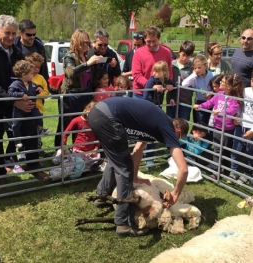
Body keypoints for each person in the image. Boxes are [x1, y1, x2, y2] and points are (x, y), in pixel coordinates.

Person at [87, 97, 189, 237]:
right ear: (177, 131)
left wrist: (135, 177)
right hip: (108, 117)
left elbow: (138, 150)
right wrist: (176, 194)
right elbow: (183, 169)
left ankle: (102, 196)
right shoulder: (166, 126)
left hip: (97, 113)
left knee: (116, 158)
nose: (175, 140)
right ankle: (122, 224)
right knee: (124, 169)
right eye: (179, 138)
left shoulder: (154, 123)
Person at [0, 15, 49, 185]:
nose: (10, 37)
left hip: (18, 99)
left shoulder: (16, 51)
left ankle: (32, 165)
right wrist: (13, 100)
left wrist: (27, 93)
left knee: (30, 131)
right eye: (7, 33)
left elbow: (23, 76)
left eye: (13, 34)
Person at [54, 29, 101, 148]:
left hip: (86, 95)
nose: (87, 45)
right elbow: (70, 73)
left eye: (88, 42)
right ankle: (59, 150)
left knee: (82, 123)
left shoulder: (87, 56)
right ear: (76, 42)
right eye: (84, 42)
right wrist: (87, 64)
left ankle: (77, 149)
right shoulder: (69, 56)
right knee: (65, 124)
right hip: (71, 96)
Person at [193, 73, 244, 179]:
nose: (220, 82)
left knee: (225, 150)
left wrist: (220, 112)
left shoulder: (234, 99)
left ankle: (224, 167)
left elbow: (231, 111)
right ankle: (216, 171)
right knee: (217, 149)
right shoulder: (219, 94)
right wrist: (200, 106)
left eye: (223, 82)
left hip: (228, 129)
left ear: (229, 86)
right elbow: (210, 103)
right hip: (217, 127)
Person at [8, 60, 46, 148]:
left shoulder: (31, 83)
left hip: (32, 107)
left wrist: (39, 89)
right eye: (31, 74)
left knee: (39, 116)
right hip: (19, 109)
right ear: (24, 75)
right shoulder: (15, 84)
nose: (33, 75)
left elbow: (33, 90)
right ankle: (17, 140)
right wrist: (20, 95)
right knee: (16, 124)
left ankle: (40, 128)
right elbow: (10, 93)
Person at [132, 25, 173, 99]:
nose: (151, 44)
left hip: (158, 93)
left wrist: (167, 84)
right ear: (144, 39)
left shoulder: (166, 52)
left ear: (159, 38)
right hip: (140, 93)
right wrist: (151, 85)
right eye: (148, 41)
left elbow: (169, 72)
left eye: (154, 41)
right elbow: (136, 75)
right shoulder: (138, 53)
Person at [62, 101, 101, 170]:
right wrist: (64, 148)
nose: (92, 115)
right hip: (79, 150)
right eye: (91, 112)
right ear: (86, 109)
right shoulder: (76, 120)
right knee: (80, 164)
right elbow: (65, 133)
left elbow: (98, 136)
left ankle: (85, 166)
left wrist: (95, 149)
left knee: (98, 158)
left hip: (90, 151)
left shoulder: (96, 121)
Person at [25, 52, 50, 157]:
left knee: (38, 132)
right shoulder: (25, 77)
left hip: (39, 111)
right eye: (34, 67)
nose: (36, 70)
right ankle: (24, 153)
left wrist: (39, 93)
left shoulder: (41, 78)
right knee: (27, 134)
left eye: (38, 67)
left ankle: (38, 149)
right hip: (26, 111)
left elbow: (46, 93)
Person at [230, 71, 253, 185]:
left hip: (251, 127)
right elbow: (240, 105)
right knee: (236, 148)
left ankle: (247, 173)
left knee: (250, 151)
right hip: (241, 125)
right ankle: (233, 171)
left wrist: (252, 131)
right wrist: (237, 115)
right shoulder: (245, 91)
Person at [166, 41, 195, 120]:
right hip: (171, 101)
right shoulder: (171, 65)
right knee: (170, 123)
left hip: (185, 102)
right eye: (183, 55)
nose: (185, 58)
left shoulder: (192, 67)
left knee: (183, 125)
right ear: (179, 52)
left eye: (188, 56)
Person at [14, 19, 49, 84]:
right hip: (20, 86)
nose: (32, 37)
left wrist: (46, 85)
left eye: (34, 34)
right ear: (21, 33)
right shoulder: (14, 47)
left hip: (39, 86)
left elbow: (44, 69)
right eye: (29, 35)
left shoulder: (40, 47)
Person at [182, 54, 214, 124]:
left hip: (212, 103)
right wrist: (194, 74)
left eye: (199, 67)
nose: (197, 70)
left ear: (205, 66)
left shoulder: (213, 75)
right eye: (195, 68)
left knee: (210, 125)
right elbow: (184, 84)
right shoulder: (195, 78)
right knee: (200, 125)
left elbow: (219, 89)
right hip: (199, 103)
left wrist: (211, 93)